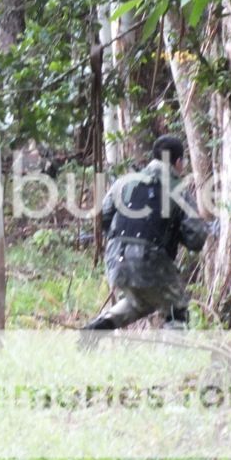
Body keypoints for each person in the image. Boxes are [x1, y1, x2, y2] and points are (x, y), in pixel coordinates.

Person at [84, 135, 208, 330]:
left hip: (114, 259)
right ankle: (173, 359)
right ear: (178, 162)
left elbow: (101, 217)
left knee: (141, 302)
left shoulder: (124, 182)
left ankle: (99, 327)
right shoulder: (178, 190)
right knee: (177, 308)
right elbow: (197, 239)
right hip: (149, 260)